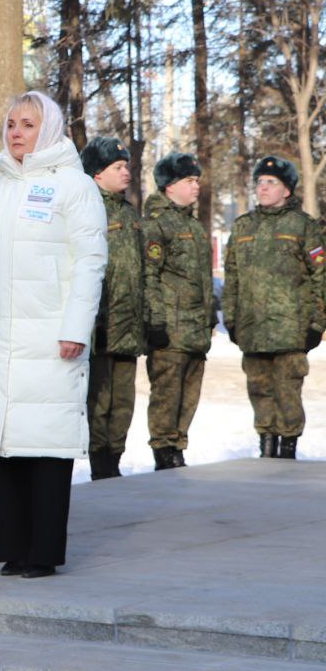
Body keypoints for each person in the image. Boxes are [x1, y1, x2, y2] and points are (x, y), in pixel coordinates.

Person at [0, 91, 107, 579]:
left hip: (50, 337)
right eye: (12, 123)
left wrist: (75, 328)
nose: (17, 132)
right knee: (4, 442)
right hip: (0, 337)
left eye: (28, 124)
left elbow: (90, 262)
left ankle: (41, 552)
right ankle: (12, 548)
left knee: (46, 442)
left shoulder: (75, 187)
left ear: (51, 130)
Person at [223, 155, 326, 459]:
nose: (263, 188)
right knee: (258, 390)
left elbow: (321, 276)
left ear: (287, 191)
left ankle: (288, 449)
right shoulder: (243, 227)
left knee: (288, 392)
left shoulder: (303, 227)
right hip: (252, 329)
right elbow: (232, 277)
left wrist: (317, 323)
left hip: (291, 330)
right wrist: (230, 319)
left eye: (271, 183)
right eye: (260, 183)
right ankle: (266, 446)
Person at [142, 152, 215, 470]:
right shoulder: (157, 225)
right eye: (189, 181)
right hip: (170, 332)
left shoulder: (195, 227)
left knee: (189, 397)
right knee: (166, 397)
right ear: (170, 186)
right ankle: (164, 453)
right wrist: (155, 320)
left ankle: (178, 448)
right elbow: (149, 276)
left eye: (197, 180)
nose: (196, 186)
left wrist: (210, 315)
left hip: (195, 331)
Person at [81, 136, 145, 479]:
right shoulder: (86, 210)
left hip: (128, 325)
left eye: (127, 167)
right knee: (98, 399)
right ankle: (98, 464)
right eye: (118, 168)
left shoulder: (131, 214)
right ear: (96, 174)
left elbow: (142, 272)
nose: (127, 174)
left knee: (123, 400)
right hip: (99, 326)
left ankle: (115, 459)